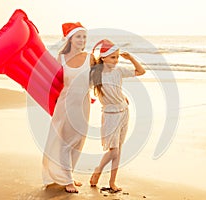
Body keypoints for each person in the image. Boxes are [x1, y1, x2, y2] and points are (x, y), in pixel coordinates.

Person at [42, 22, 95, 193]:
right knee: (65, 142)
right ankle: (67, 181)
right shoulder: (61, 58)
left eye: (84, 37)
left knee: (78, 141)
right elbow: (53, 82)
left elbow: (98, 80)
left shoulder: (90, 58)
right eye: (78, 36)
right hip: (65, 105)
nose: (82, 40)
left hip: (84, 105)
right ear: (70, 39)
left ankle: (68, 174)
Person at [89, 39, 145, 192]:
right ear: (104, 57)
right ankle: (98, 169)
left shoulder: (119, 70)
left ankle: (113, 182)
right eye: (113, 57)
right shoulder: (95, 73)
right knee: (113, 151)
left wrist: (131, 58)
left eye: (117, 57)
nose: (116, 60)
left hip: (124, 112)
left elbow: (141, 71)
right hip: (110, 115)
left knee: (118, 149)